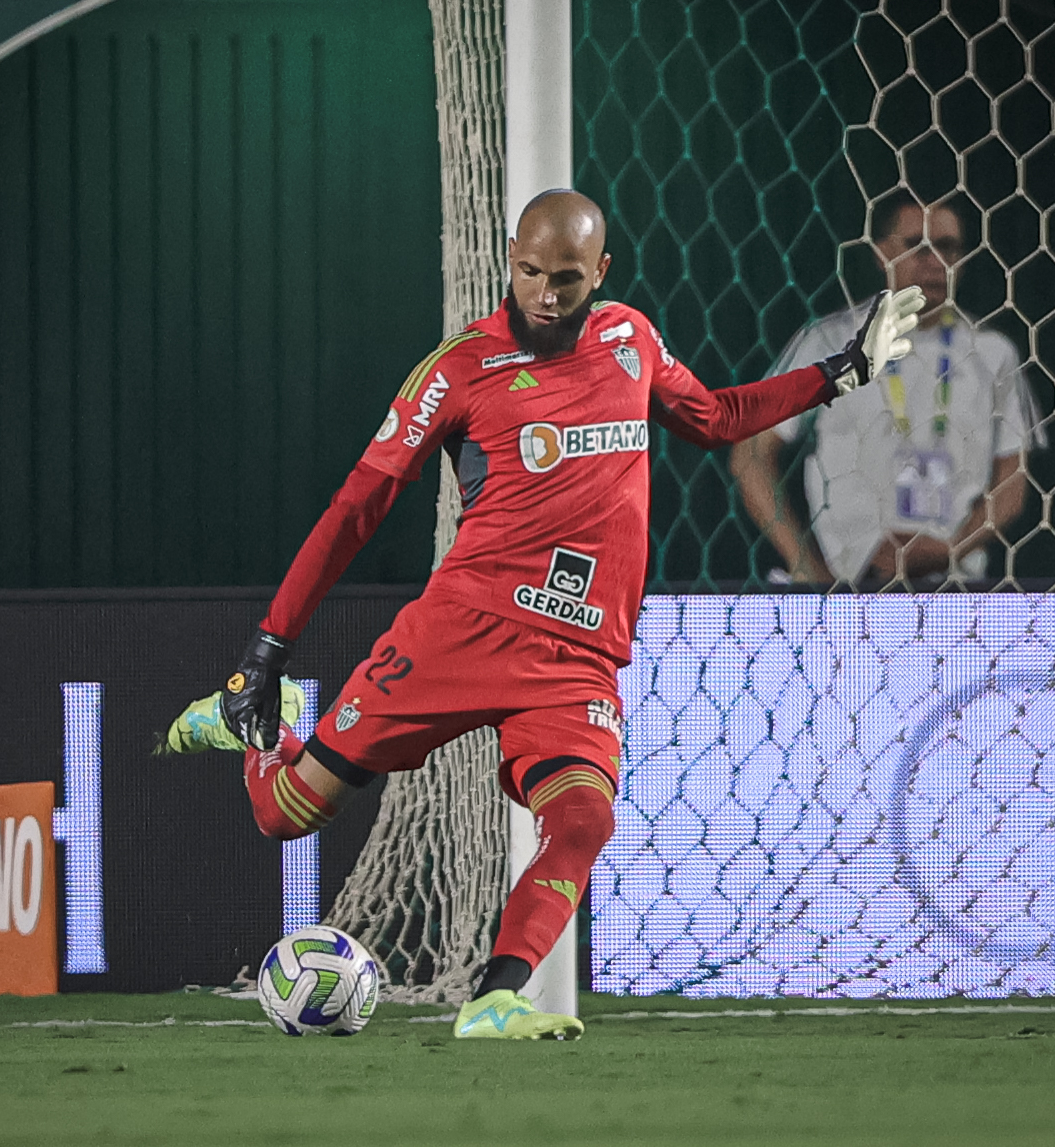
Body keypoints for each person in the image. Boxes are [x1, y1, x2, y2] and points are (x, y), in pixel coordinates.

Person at [164, 191, 922, 1039]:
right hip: (463, 631)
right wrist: (269, 646)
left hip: (576, 657)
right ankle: (271, 734)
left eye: (566, 278)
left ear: (600, 271)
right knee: (284, 816)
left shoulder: (629, 339)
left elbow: (712, 419)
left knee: (584, 816)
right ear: (509, 258)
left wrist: (838, 374)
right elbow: (356, 507)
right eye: (530, 273)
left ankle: (494, 998)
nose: (546, 294)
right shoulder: (457, 369)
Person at [730, 191, 1042, 586]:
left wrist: (947, 550)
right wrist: (806, 567)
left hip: (955, 594)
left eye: (947, 247)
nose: (934, 262)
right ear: (881, 253)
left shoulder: (993, 354)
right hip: (843, 592)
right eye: (917, 246)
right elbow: (751, 455)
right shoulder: (829, 342)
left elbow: (1012, 483)